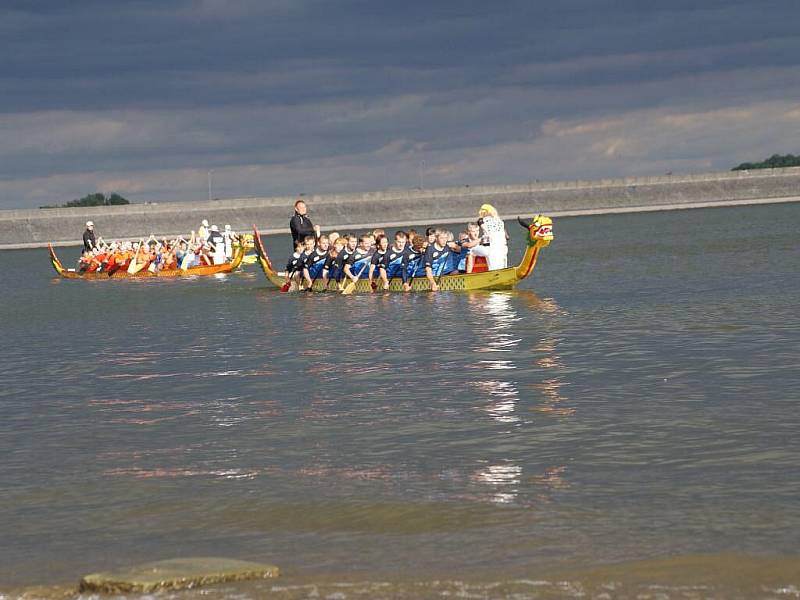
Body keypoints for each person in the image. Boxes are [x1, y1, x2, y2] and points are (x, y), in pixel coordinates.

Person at [470, 203, 508, 270]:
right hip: (503, 248)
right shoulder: (501, 222)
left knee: (470, 250)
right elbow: (507, 237)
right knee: (501, 265)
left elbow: (485, 230)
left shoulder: (481, 220)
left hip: (490, 248)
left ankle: (469, 272)